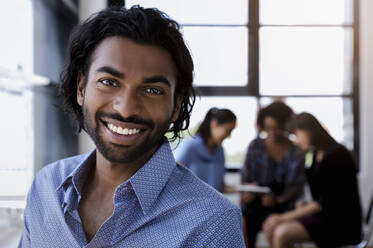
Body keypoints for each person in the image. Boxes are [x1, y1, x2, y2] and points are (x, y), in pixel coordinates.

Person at [18, 6, 245, 247]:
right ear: (82, 89)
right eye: (109, 82)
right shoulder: (46, 186)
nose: (126, 109)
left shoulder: (214, 224)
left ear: (176, 105)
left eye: (152, 90)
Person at [262, 112, 362, 248]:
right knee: (270, 227)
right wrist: (304, 205)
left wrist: (283, 217)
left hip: (342, 222)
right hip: (324, 216)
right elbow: (320, 195)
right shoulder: (313, 155)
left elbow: (326, 201)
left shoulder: (338, 154)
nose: (295, 141)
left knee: (281, 232)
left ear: (308, 131)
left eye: (296, 135)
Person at [240, 101, 305, 248]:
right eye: (268, 128)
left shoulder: (296, 151)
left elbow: (297, 186)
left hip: (284, 206)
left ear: (286, 127)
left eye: (277, 128)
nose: (273, 133)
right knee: (243, 220)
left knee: (277, 226)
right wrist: (247, 192)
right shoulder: (255, 146)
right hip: (255, 204)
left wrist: (278, 200)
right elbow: (246, 178)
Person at [175, 107, 236, 192]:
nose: (229, 135)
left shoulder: (220, 151)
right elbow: (174, 180)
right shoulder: (190, 146)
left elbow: (221, 186)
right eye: (228, 130)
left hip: (213, 204)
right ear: (214, 124)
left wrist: (244, 188)